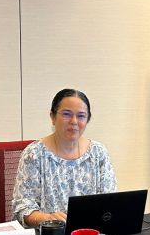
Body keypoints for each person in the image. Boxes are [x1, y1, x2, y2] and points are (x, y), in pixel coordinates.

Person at [12, 89, 117, 227]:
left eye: (81, 116)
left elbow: (110, 202)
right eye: (66, 114)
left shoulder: (99, 153)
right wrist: (47, 219)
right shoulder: (34, 154)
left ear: (88, 120)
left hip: (91, 233)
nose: (74, 121)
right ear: (53, 117)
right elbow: (22, 209)